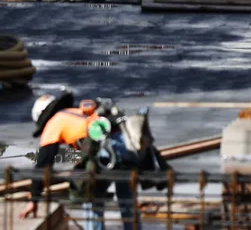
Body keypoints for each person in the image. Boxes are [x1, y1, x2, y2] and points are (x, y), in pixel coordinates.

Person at [20, 91, 155, 230]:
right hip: (126, 145)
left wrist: (34, 198)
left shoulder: (54, 122)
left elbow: (44, 163)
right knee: (127, 201)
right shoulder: (76, 112)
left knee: (90, 196)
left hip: (105, 152)